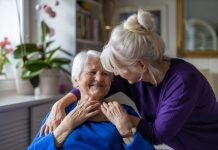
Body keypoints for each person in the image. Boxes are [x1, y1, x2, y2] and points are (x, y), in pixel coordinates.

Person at [41, 10, 218, 150]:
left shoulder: (183, 82)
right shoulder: (135, 74)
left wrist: (121, 121)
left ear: (140, 65)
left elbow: (156, 135)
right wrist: (60, 104)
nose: (113, 74)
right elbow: (96, 85)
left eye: (117, 68)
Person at [28, 50, 155, 150]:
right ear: (76, 81)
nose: (99, 78)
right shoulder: (61, 113)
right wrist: (67, 125)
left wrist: (125, 129)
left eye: (105, 73)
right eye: (92, 72)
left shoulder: (121, 112)